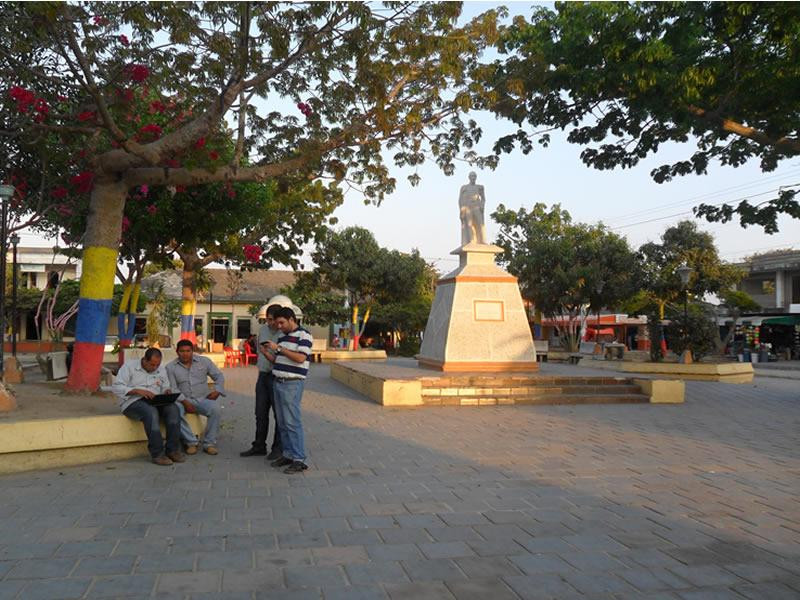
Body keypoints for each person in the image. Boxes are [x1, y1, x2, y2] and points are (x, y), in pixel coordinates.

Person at [112, 347, 184, 466]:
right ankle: (157, 454)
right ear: (144, 360)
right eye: (152, 365)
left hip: (155, 400)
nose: (155, 368)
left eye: (157, 365)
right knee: (150, 412)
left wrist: (166, 391)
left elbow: (165, 386)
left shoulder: (161, 369)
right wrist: (137, 391)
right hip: (132, 401)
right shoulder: (129, 367)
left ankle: (173, 450)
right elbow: (117, 387)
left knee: (173, 409)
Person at [264, 306, 312, 474]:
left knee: (292, 422)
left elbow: (300, 358)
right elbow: (279, 360)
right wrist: (266, 353)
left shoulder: (304, 335)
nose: (279, 326)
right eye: (277, 323)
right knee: (282, 422)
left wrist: (279, 348)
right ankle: (288, 454)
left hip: (292, 383)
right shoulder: (282, 337)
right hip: (278, 381)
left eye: (281, 323)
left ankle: (299, 459)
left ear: (292, 319)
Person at [166, 339, 225, 456]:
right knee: (175, 411)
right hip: (182, 400)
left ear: (192, 351)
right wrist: (185, 401)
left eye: (188, 351)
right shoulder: (170, 367)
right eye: (182, 351)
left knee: (216, 409)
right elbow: (173, 388)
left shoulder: (204, 361)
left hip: (203, 399)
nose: (185, 354)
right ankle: (191, 442)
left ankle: (209, 444)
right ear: (177, 352)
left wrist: (218, 390)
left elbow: (219, 376)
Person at [240, 304, 283, 458]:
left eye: (272, 320)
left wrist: (272, 350)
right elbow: (259, 349)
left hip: (277, 376)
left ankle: (278, 448)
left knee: (278, 415)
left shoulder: (284, 332)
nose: (269, 323)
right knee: (260, 412)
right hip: (263, 375)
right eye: (267, 319)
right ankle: (259, 445)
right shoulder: (263, 329)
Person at [458, 171, 487, 245]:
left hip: (476, 206)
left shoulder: (479, 187)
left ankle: (482, 240)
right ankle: (471, 240)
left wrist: (482, 205)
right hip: (468, 207)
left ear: (476, 177)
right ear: (469, 177)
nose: (473, 178)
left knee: (480, 223)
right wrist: (462, 210)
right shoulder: (464, 187)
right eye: (472, 176)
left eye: (474, 176)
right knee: (469, 224)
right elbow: (460, 200)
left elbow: (483, 198)